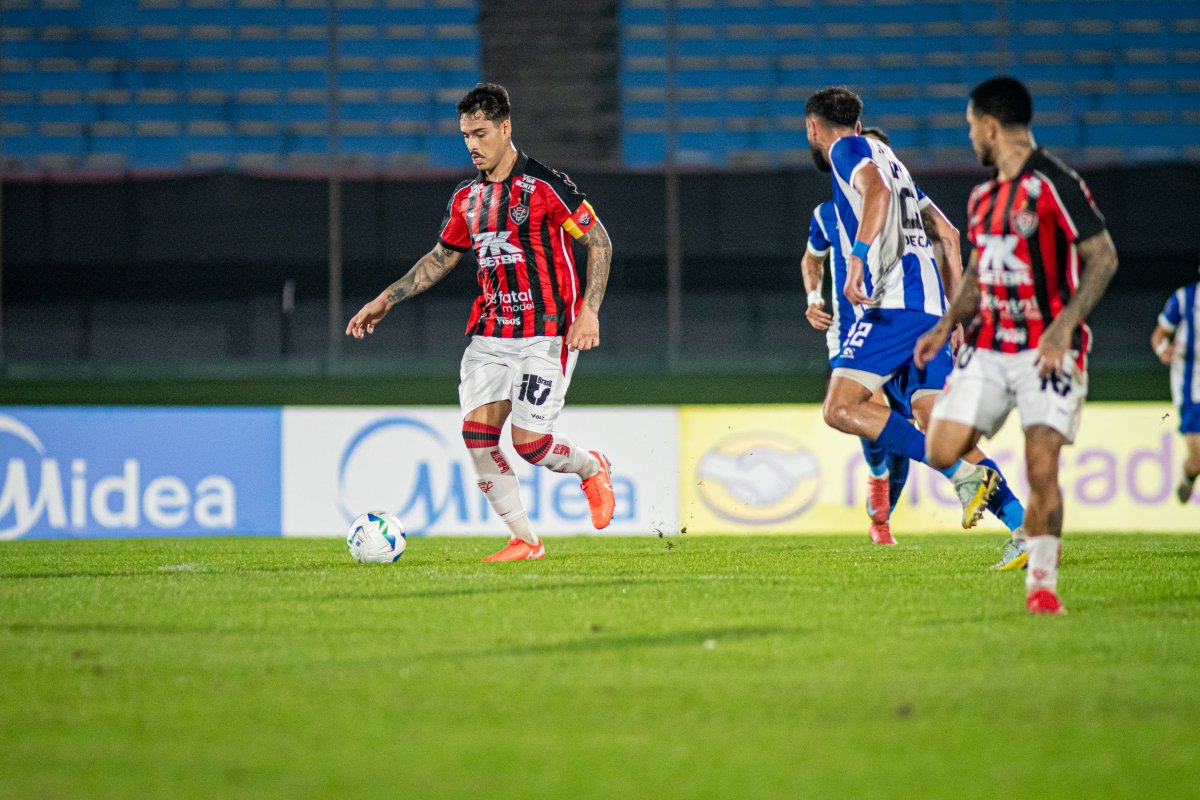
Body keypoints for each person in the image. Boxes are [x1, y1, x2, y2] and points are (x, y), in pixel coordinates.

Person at [345, 83, 616, 562]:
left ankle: (590, 467)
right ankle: (525, 541)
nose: (472, 143)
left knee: (530, 446)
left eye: (481, 132)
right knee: (476, 436)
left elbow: (599, 241)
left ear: (506, 128)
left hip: (546, 331)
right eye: (465, 134)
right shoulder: (466, 198)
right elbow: (441, 257)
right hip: (491, 334)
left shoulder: (545, 186)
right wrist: (387, 298)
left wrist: (589, 311)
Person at [915, 76, 1119, 615]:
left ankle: (1042, 587)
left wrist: (1064, 325)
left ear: (990, 125)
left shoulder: (1056, 183)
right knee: (939, 447)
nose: (969, 138)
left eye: (969, 127)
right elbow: (979, 276)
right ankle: (987, 459)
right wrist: (944, 326)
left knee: (1042, 465)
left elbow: (1103, 257)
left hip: (1046, 352)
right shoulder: (983, 198)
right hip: (989, 349)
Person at [803, 123, 1027, 562]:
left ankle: (939, 477)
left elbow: (890, 204)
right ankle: (1024, 527)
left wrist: (858, 259)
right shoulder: (833, 213)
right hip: (927, 315)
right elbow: (949, 235)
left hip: (889, 314)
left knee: (843, 407)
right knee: (937, 424)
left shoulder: (872, 188)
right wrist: (954, 314)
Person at [1150, 259, 1200, 503]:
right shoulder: (1185, 298)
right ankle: (1190, 475)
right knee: (1198, 455)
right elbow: (1160, 334)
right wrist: (1162, 350)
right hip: (1191, 386)